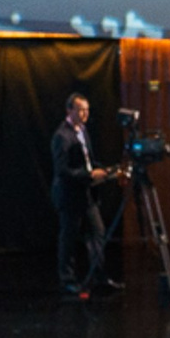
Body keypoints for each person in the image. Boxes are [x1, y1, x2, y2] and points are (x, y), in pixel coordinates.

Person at [51, 92, 114, 297]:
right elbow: (62, 170)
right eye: (80, 110)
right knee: (68, 238)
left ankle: (99, 275)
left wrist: (104, 171)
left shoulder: (83, 131)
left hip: (87, 194)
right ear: (69, 110)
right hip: (69, 195)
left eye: (87, 110)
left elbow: (88, 161)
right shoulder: (62, 136)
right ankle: (67, 280)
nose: (85, 114)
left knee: (97, 232)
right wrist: (89, 175)